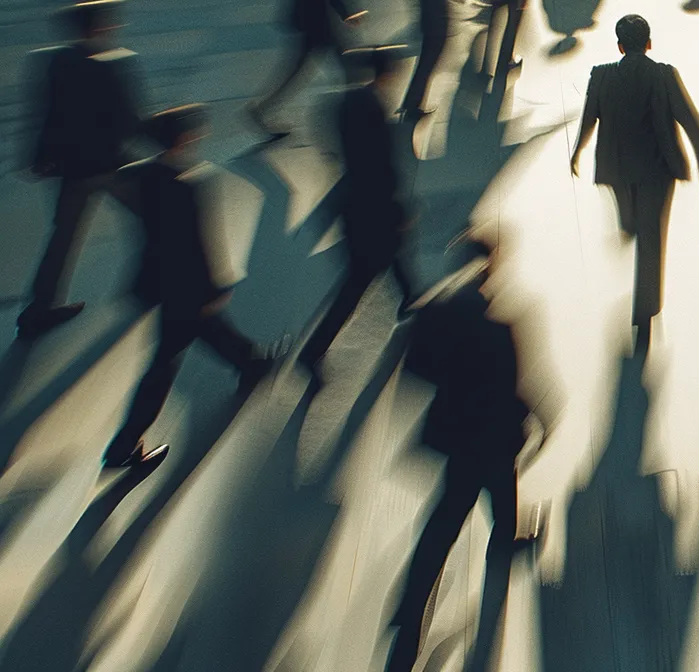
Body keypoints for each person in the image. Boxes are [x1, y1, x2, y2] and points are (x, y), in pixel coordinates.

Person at [384, 236, 538, 672]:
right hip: (493, 436)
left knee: (446, 518)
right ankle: (505, 544)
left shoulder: (438, 315)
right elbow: (512, 387)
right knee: (499, 500)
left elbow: (416, 370)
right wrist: (532, 417)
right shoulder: (500, 324)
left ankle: (410, 608)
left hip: (458, 434)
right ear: (488, 269)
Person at [102, 105, 278, 469]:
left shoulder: (144, 176)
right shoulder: (188, 184)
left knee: (194, 333)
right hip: (185, 283)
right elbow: (198, 244)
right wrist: (214, 286)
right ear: (183, 138)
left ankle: (249, 360)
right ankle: (124, 445)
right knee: (166, 360)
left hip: (158, 279)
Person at [570, 14, 699, 351]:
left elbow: (589, 118)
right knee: (654, 235)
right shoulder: (664, 75)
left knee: (631, 218)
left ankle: (628, 222)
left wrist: (577, 151)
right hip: (658, 170)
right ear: (649, 43)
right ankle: (646, 307)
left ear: (619, 46)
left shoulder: (601, 76)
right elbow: (690, 118)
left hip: (617, 167)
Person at [297, 46, 421, 385]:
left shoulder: (346, 103)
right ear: (388, 74)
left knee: (391, 259)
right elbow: (380, 168)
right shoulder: (374, 109)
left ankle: (412, 299)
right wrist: (397, 207)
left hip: (356, 205)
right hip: (372, 209)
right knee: (359, 281)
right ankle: (313, 351)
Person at [19, 0, 143, 339]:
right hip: (108, 166)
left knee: (62, 240)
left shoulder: (59, 61)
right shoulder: (112, 64)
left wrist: (38, 157)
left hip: (73, 169)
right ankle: (154, 283)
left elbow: (46, 113)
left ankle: (39, 310)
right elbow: (129, 119)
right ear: (101, 26)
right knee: (153, 215)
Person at [246, 0, 367, 143]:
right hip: (318, 20)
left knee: (299, 72)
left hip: (312, 17)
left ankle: (262, 111)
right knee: (349, 66)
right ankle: (359, 114)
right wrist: (345, 12)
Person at [397, 0, 447, 123]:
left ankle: (411, 103)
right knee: (427, 65)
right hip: (435, 23)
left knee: (425, 65)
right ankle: (412, 105)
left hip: (431, 21)